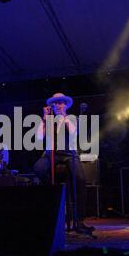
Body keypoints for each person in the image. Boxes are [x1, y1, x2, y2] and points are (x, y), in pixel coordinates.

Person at [33, 92, 93, 233]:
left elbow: (74, 133)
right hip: (50, 154)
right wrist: (44, 119)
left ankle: (79, 221)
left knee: (80, 179)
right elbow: (39, 138)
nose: (58, 105)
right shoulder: (47, 119)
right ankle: (54, 196)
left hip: (68, 154)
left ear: (65, 105)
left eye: (61, 102)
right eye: (55, 103)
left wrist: (64, 117)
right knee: (38, 168)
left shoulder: (72, 118)